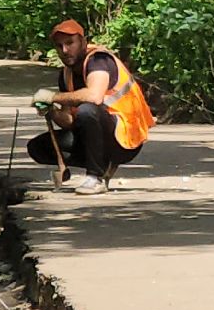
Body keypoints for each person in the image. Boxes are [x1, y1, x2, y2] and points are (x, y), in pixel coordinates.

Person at [28, 19, 154, 195]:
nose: (65, 50)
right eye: (59, 46)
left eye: (70, 43)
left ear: (83, 42)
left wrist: (53, 96)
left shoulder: (98, 60)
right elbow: (69, 121)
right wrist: (51, 110)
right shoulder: (66, 74)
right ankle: (103, 164)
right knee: (38, 147)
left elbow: (94, 96)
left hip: (125, 138)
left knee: (87, 110)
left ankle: (95, 178)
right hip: (99, 135)